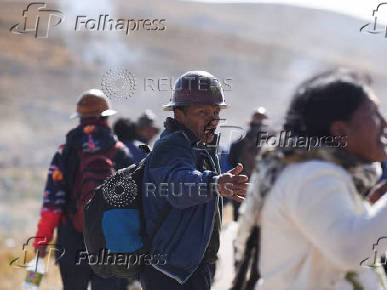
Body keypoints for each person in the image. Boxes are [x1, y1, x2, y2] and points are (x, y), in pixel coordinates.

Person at [237, 70, 387, 289]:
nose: (385, 122)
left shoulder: (319, 174)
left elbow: (335, 239)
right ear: (341, 131)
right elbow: (351, 251)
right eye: (373, 112)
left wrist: (372, 211)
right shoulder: (312, 176)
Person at [139, 71, 249, 290]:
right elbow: (178, 185)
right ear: (179, 114)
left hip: (190, 268)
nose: (213, 120)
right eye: (202, 112)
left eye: (216, 112)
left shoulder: (201, 146)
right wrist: (214, 183)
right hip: (169, 272)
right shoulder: (172, 146)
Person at [32, 89, 133, 290]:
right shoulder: (120, 152)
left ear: (80, 119)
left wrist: (42, 241)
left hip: (71, 241)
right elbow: (132, 204)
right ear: (105, 118)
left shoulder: (65, 153)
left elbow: (52, 204)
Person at [228, 107, 268, 220]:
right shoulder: (270, 145)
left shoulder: (238, 143)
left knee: (238, 221)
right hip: (261, 187)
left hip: (241, 184)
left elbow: (231, 161)